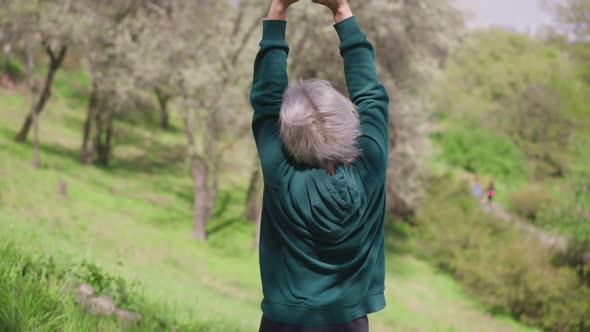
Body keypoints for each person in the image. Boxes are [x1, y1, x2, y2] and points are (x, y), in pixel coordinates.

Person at [250, 0, 390, 331]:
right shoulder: (370, 164)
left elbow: (266, 100)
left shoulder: (282, 175)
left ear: (287, 133)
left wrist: (279, 9)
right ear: (347, 122)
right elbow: (371, 96)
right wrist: (341, 10)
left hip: (283, 323)